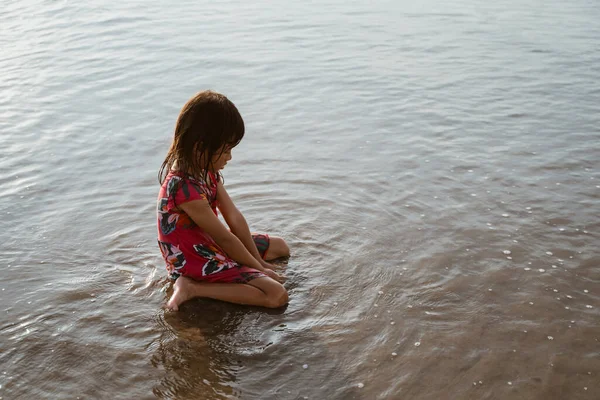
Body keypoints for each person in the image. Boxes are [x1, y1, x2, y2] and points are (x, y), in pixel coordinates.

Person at [157, 90, 290, 311]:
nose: (230, 157)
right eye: (226, 149)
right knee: (276, 295)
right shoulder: (183, 188)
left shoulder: (205, 171)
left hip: (210, 244)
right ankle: (192, 288)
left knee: (280, 247)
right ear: (201, 147)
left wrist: (260, 263)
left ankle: (242, 272)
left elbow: (234, 218)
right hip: (193, 260)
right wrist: (260, 269)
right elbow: (225, 238)